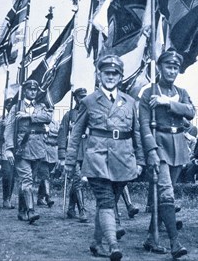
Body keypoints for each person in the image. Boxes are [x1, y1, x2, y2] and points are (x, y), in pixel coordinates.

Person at [65, 55, 149, 261]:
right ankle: (113, 245)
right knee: (106, 202)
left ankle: (96, 242)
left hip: (123, 159)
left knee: (109, 203)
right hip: (97, 159)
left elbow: (136, 132)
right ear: (99, 75)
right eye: (106, 73)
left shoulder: (130, 102)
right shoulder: (89, 101)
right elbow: (76, 133)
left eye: (114, 74)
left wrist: (140, 160)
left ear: (120, 77)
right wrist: (69, 161)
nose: (110, 77)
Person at [138, 49, 192, 258]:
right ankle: (174, 242)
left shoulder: (181, 91)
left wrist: (167, 103)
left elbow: (190, 111)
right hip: (159, 145)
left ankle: (152, 238)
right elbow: (143, 124)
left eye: (175, 68)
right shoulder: (148, 92)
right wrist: (150, 149)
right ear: (159, 68)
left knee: (164, 195)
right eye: (168, 67)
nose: (172, 71)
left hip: (178, 146)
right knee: (166, 192)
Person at [4, 79, 53, 223]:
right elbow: (9, 128)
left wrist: (29, 116)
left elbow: (48, 117)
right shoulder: (16, 107)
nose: (32, 92)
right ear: (24, 91)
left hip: (38, 148)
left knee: (29, 181)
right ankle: (31, 211)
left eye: (35, 90)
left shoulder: (41, 106)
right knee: (27, 179)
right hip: (22, 148)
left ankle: (22, 210)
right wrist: (8, 149)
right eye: (30, 89)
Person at [58, 87, 89, 222]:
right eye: (80, 97)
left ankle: (71, 208)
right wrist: (62, 155)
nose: (82, 99)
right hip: (74, 152)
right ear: (75, 99)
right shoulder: (69, 115)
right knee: (78, 180)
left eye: (84, 97)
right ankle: (82, 210)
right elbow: (62, 134)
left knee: (79, 182)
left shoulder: (91, 113)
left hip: (87, 152)